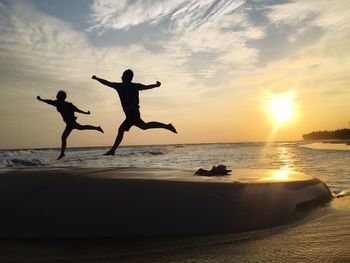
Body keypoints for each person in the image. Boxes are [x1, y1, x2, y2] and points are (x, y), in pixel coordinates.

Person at [92, 69, 177, 156]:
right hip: (133, 113)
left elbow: (106, 82)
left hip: (132, 114)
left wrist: (96, 78)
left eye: (122, 76)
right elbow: (146, 87)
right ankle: (167, 126)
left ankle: (113, 150)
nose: (121, 77)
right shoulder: (134, 86)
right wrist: (155, 85)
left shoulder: (120, 86)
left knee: (123, 129)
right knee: (143, 126)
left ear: (125, 77)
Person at [37, 90, 104, 159]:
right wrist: (41, 99)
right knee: (68, 135)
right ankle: (62, 153)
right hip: (69, 123)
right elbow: (49, 101)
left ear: (60, 97)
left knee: (80, 128)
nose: (56, 96)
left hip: (71, 122)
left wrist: (86, 113)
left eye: (57, 95)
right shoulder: (58, 103)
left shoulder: (65, 104)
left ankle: (62, 153)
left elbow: (77, 110)